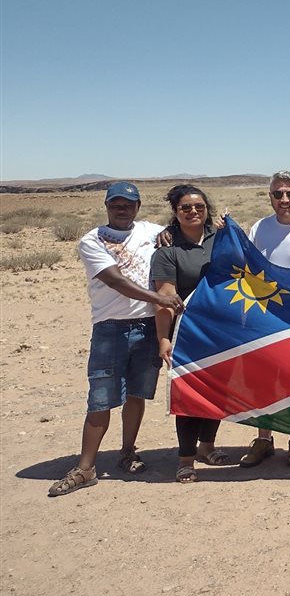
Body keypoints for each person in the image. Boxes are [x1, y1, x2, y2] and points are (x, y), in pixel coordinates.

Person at [48, 183, 184, 497]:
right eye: (116, 205)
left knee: (136, 394)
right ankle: (86, 467)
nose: (122, 210)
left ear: (138, 206)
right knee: (100, 398)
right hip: (110, 327)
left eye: (128, 204)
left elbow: (177, 230)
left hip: (148, 326)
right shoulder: (91, 240)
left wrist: (169, 231)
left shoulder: (150, 230)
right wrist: (158, 298)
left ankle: (127, 452)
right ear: (107, 206)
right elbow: (115, 280)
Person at [238, 171, 290, 469]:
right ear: (270, 196)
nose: (284, 200)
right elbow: (244, 266)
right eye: (277, 194)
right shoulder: (259, 227)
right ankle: (264, 438)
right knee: (263, 380)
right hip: (263, 314)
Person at [152, 184, 226, 483]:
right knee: (189, 393)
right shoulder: (167, 250)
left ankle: (207, 447)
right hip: (187, 332)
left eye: (199, 207)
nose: (193, 211)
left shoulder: (219, 238)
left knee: (217, 390)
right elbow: (166, 296)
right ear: (175, 211)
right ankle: (185, 458)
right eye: (185, 208)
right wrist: (164, 338)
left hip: (222, 330)